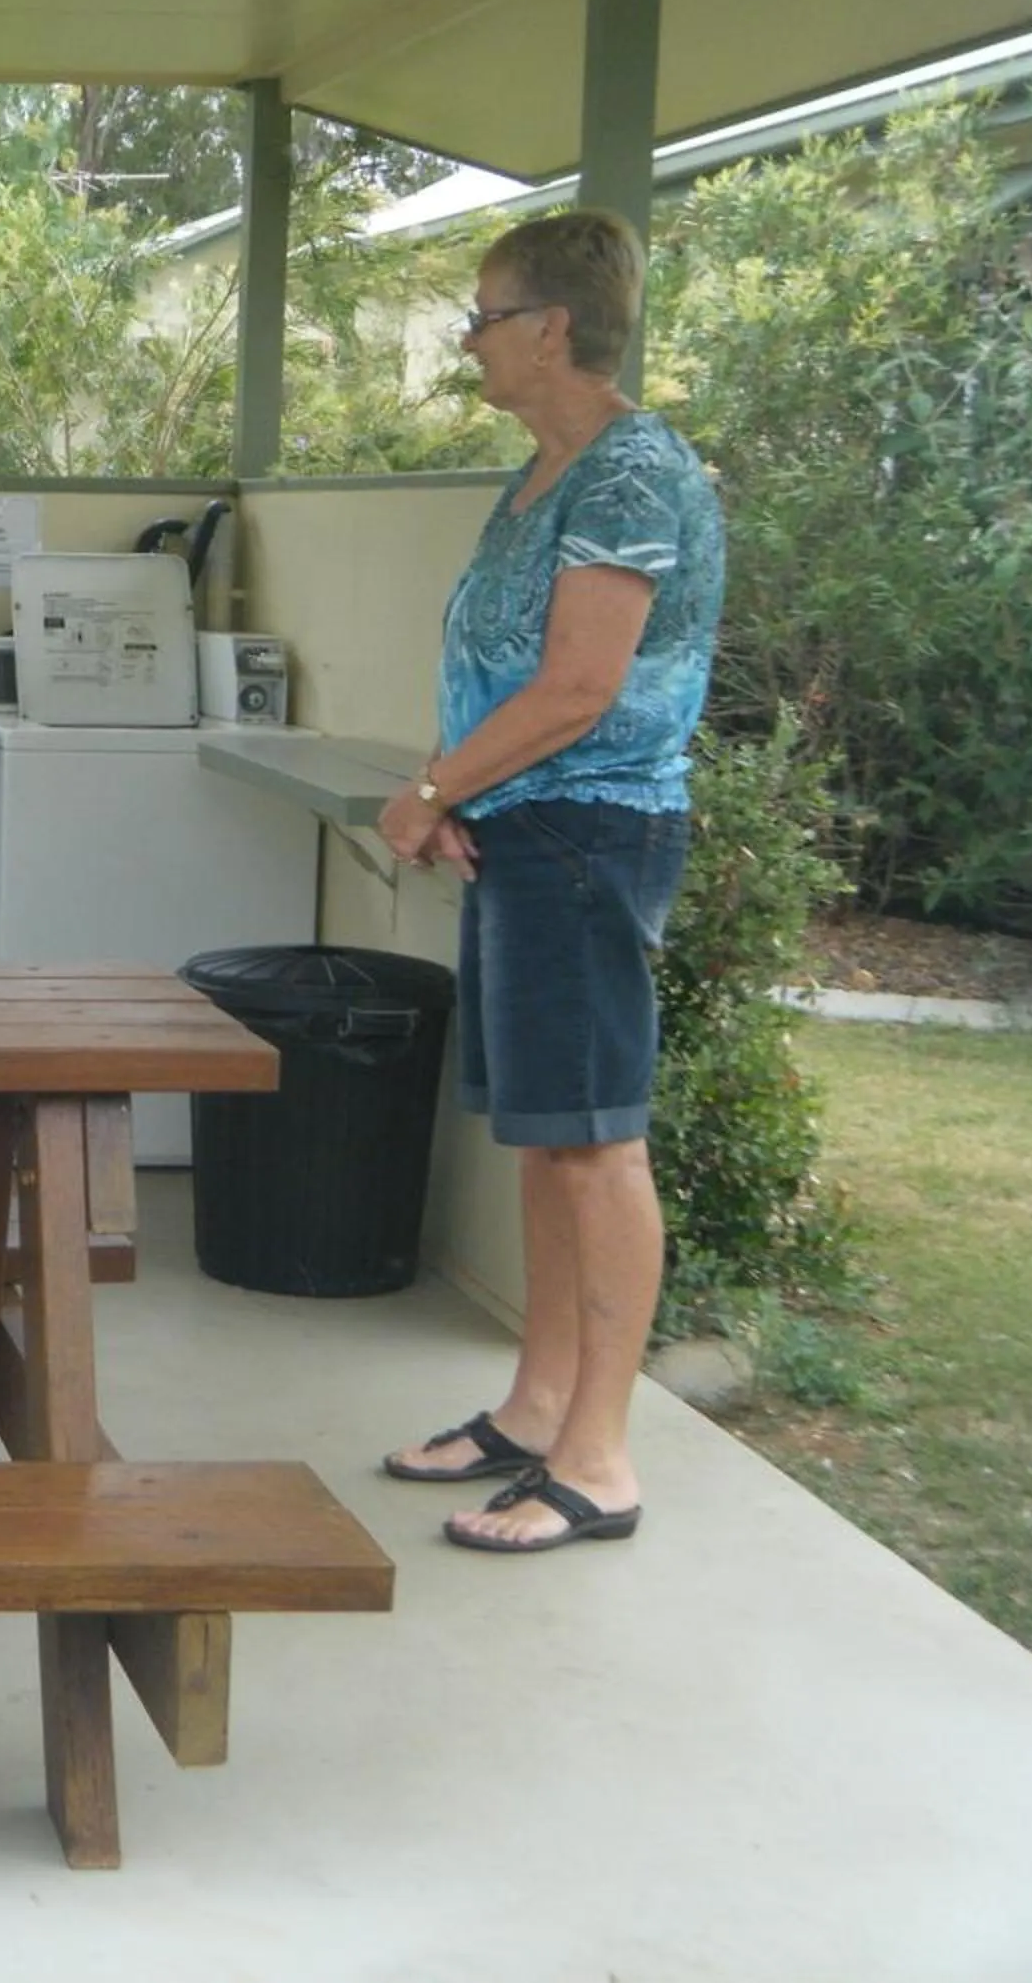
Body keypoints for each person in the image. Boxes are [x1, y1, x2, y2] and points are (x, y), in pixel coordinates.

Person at [374, 208, 725, 1554]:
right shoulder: (544, 474)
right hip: (527, 824)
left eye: (482, 316)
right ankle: (534, 1407)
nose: (470, 342)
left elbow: (581, 687)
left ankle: (599, 1457)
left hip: (593, 831)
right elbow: (503, 669)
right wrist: (449, 780)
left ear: (550, 328)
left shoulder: (632, 476)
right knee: (547, 1135)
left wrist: (429, 793)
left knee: (596, 1141)